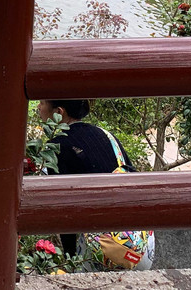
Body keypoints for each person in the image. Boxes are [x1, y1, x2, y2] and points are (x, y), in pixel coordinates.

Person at [37, 99, 155, 270]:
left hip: (107, 252)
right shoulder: (105, 134)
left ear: (59, 112)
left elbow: (64, 211)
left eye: (42, 103)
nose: (39, 107)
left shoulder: (57, 146)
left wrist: (70, 261)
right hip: (141, 246)